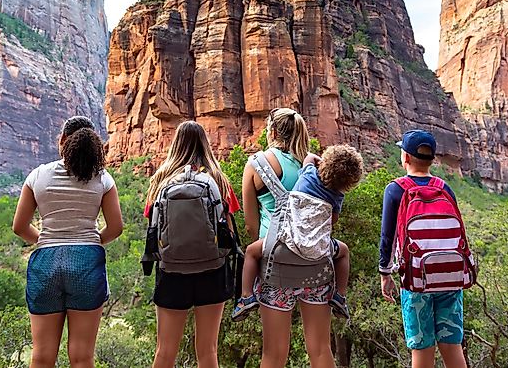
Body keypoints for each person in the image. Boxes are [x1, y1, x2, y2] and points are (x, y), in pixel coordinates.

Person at [12, 116, 124, 368]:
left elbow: (19, 227)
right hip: (87, 262)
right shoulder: (103, 179)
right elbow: (116, 227)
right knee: (82, 356)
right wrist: (93, 240)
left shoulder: (38, 175)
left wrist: (45, 239)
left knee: (41, 356)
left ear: (63, 140)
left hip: (46, 262)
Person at [241, 108, 335, 368]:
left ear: (271, 131)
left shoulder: (256, 164)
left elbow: (251, 226)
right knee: (320, 349)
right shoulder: (316, 165)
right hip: (316, 262)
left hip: (275, 263)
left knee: (273, 355)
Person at [145, 121, 240, 368]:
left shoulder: (160, 180)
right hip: (212, 270)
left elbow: (153, 226)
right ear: (205, 144)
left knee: (165, 351)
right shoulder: (218, 179)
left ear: (175, 145)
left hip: (171, 271)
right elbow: (228, 230)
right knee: (208, 351)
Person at [233, 144, 363, 321]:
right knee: (344, 251)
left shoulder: (308, 174)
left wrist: (317, 161)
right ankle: (340, 296)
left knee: (251, 251)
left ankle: (246, 297)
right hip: (318, 248)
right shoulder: (337, 196)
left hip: (287, 240)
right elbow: (333, 220)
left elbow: (308, 158)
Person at [379, 130, 467, 368]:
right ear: (432, 159)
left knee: (421, 347)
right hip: (450, 275)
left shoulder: (396, 189)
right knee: (452, 345)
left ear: (405, 157)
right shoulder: (444, 188)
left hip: (416, 279)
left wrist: (385, 274)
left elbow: (388, 237)